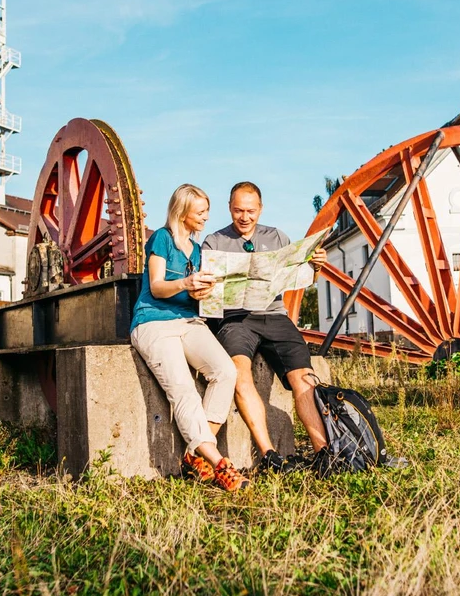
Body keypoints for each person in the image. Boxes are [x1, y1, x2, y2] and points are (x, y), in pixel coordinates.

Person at [202, 181, 332, 474]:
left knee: (304, 377)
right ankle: (270, 455)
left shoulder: (277, 237)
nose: (244, 217)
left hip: (274, 315)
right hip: (235, 319)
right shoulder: (214, 242)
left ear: (260, 209)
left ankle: (323, 452)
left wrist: (317, 267)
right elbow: (207, 293)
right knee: (239, 371)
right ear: (229, 208)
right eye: (238, 210)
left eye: (250, 211)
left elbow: (302, 279)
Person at [130, 183, 249, 492]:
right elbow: (157, 287)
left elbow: (194, 295)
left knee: (225, 371)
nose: (206, 218)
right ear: (182, 213)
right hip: (153, 322)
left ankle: (194, 455)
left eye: (207, 212)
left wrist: (204, 291)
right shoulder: (161, 239)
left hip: (188, 320)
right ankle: (220, 462)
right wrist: (185, 282)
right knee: (183, 390)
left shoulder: (197, 251)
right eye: (201, 212)